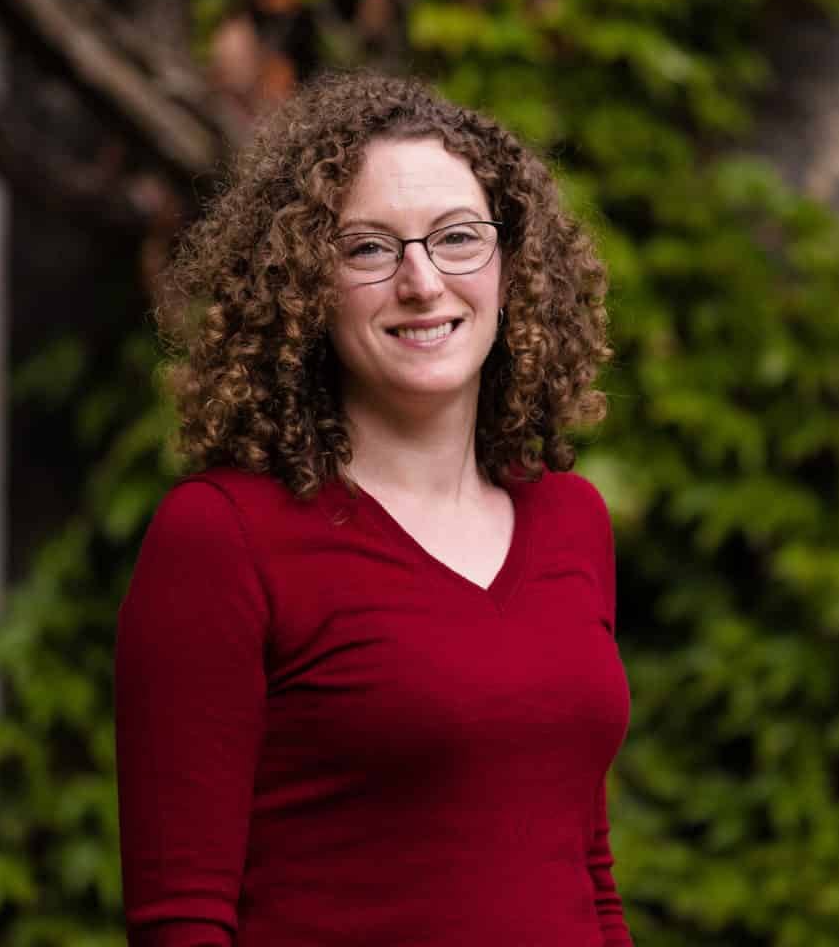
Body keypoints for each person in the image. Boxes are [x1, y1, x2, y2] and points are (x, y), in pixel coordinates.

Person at [115, 71, 632, 947]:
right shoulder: (224, 537)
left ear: (511, 265)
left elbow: (587, 874)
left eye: (458, 238)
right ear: (304, 287)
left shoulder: (571, 520)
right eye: (368, 249)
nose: (423, 283)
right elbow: (182, 919)